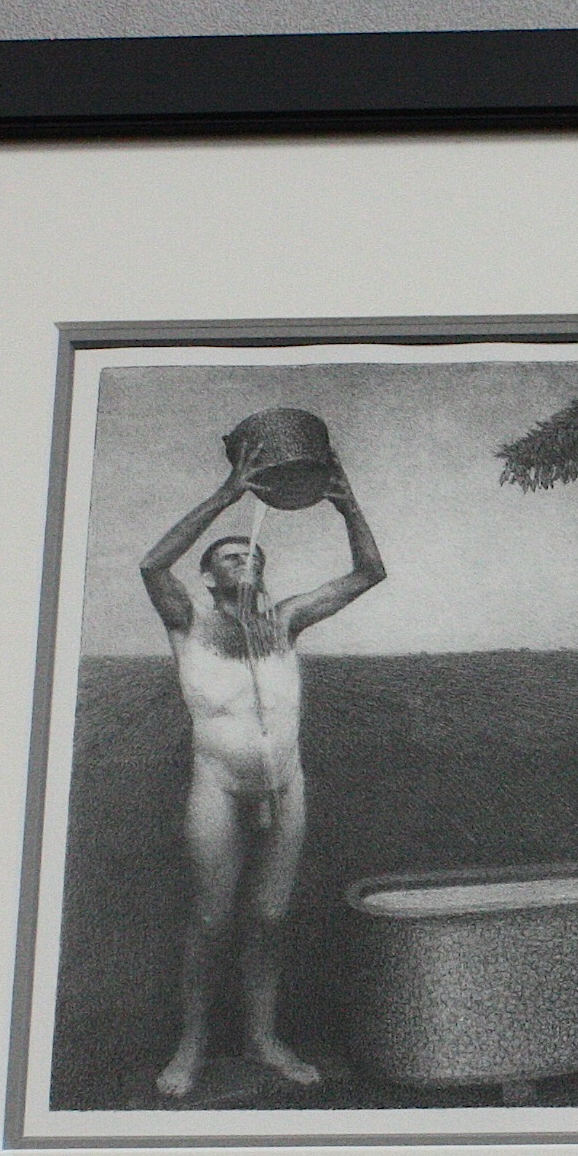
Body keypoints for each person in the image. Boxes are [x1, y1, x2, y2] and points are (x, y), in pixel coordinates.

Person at [139, 410, 385, 1095]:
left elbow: (369, 571)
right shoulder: (189, 621)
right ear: (209, 576)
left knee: (270, 919)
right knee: (211, 919)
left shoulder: (285, 620)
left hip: (286, 785)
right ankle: (190, 1048)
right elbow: (152, 564)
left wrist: (346, 503)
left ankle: (264, 1038)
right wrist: (229, 494)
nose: (243, 560)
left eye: (250, 556)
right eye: (230, 557)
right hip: (217, 785)